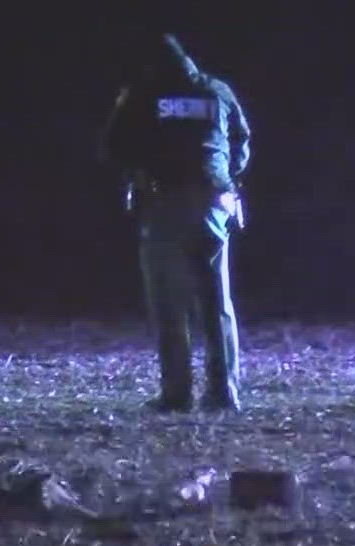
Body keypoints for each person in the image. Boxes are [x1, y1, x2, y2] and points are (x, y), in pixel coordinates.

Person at [101, 31, 252, 412]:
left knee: (170, 302)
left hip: (164, 201)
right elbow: (242, 139)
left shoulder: (143, 94)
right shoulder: (217, 91)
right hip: (214, 200)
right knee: (217, 300)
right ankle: (223, 391)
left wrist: (138, 173)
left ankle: (177, 392)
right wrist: (227, 178)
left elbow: (114, 146)